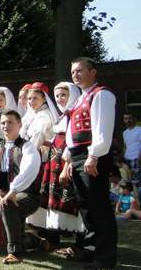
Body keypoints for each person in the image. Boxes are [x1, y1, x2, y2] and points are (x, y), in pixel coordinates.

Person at [61, 57, 118, 269]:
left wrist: (94, 155)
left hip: (92, 156)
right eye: (73, 71)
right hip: (78, 157)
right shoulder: (79, 99)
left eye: (80, 70)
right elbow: (72, 131)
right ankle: (91, 249)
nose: (75, 75)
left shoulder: (100, 94)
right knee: (85, 206)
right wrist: (68, 156)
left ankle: (105, 258)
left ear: (93, 72)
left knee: (99, 206)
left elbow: (102, 129)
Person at [0, 110, 48, 264]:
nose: (6, 126)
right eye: (3, 123)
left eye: (10, 122)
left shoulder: (27, 147)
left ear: (19, 124)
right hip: (5, 196)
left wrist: (12, 192)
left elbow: (28, 170)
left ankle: (15, 253)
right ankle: (33, 239)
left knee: (8, 204)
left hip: (28, 195)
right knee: (10, 231)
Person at [27, 82, 86, 252]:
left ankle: (80, 242)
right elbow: (56, 138)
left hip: (66, 162)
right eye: (58, 95)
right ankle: (53, 237)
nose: (59, 99)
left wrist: (68, 164)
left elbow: (74, 140)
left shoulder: (75, 114)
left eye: (63, 95)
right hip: (55, 161)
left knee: (73, 198)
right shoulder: (63, 115)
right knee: (56, 199)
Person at [20, 82, 59, 162]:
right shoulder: (34, 114)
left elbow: (38, 137)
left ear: (44, 99)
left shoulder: (43, 115)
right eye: (29, 98)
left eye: (35, 98)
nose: (31, 101)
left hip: (40, 157)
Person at [123, 112, 141, 181]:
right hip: (127, 159)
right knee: (127, 181)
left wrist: (139, 159)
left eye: (130, 118)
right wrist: (123, 158)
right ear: (124, 120)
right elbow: (125, 146)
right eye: (126, 118)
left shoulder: (139, 130)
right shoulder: (124, 133)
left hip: (136, 159)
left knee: (137, 181)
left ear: (133, 119)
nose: (128, 120)